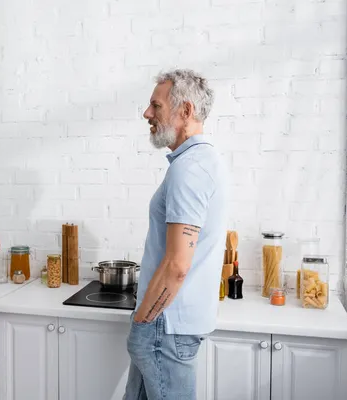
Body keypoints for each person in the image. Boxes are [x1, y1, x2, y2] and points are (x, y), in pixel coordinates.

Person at [124, 69, 228, 400]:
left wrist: (142, 324)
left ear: (185, 111)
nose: (147, 113)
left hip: (164, 327)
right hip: (165, 325)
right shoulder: (197, 161)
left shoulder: (191, 168)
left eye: (155, 105)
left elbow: (177, 264)